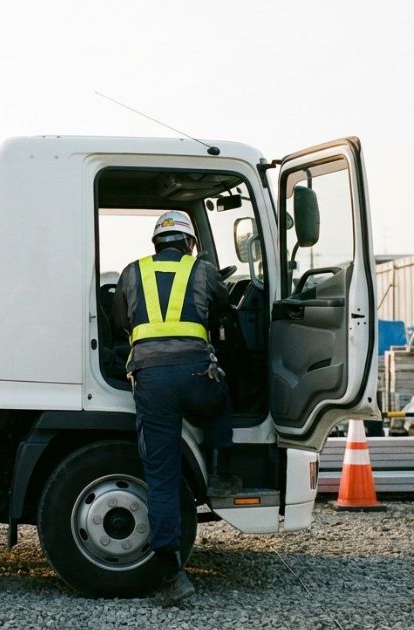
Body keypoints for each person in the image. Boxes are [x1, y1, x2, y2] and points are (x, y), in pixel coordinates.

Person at [111, 210, 242, 606]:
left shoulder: (132, 272)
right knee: (221, 401)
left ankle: (173, 575)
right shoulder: (201, 271)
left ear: (156, 245)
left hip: (150, 381)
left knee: (162, 476)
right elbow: (224, 309)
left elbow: (120, 321)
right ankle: (220, 473)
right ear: (190, 244)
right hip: (195, 375)